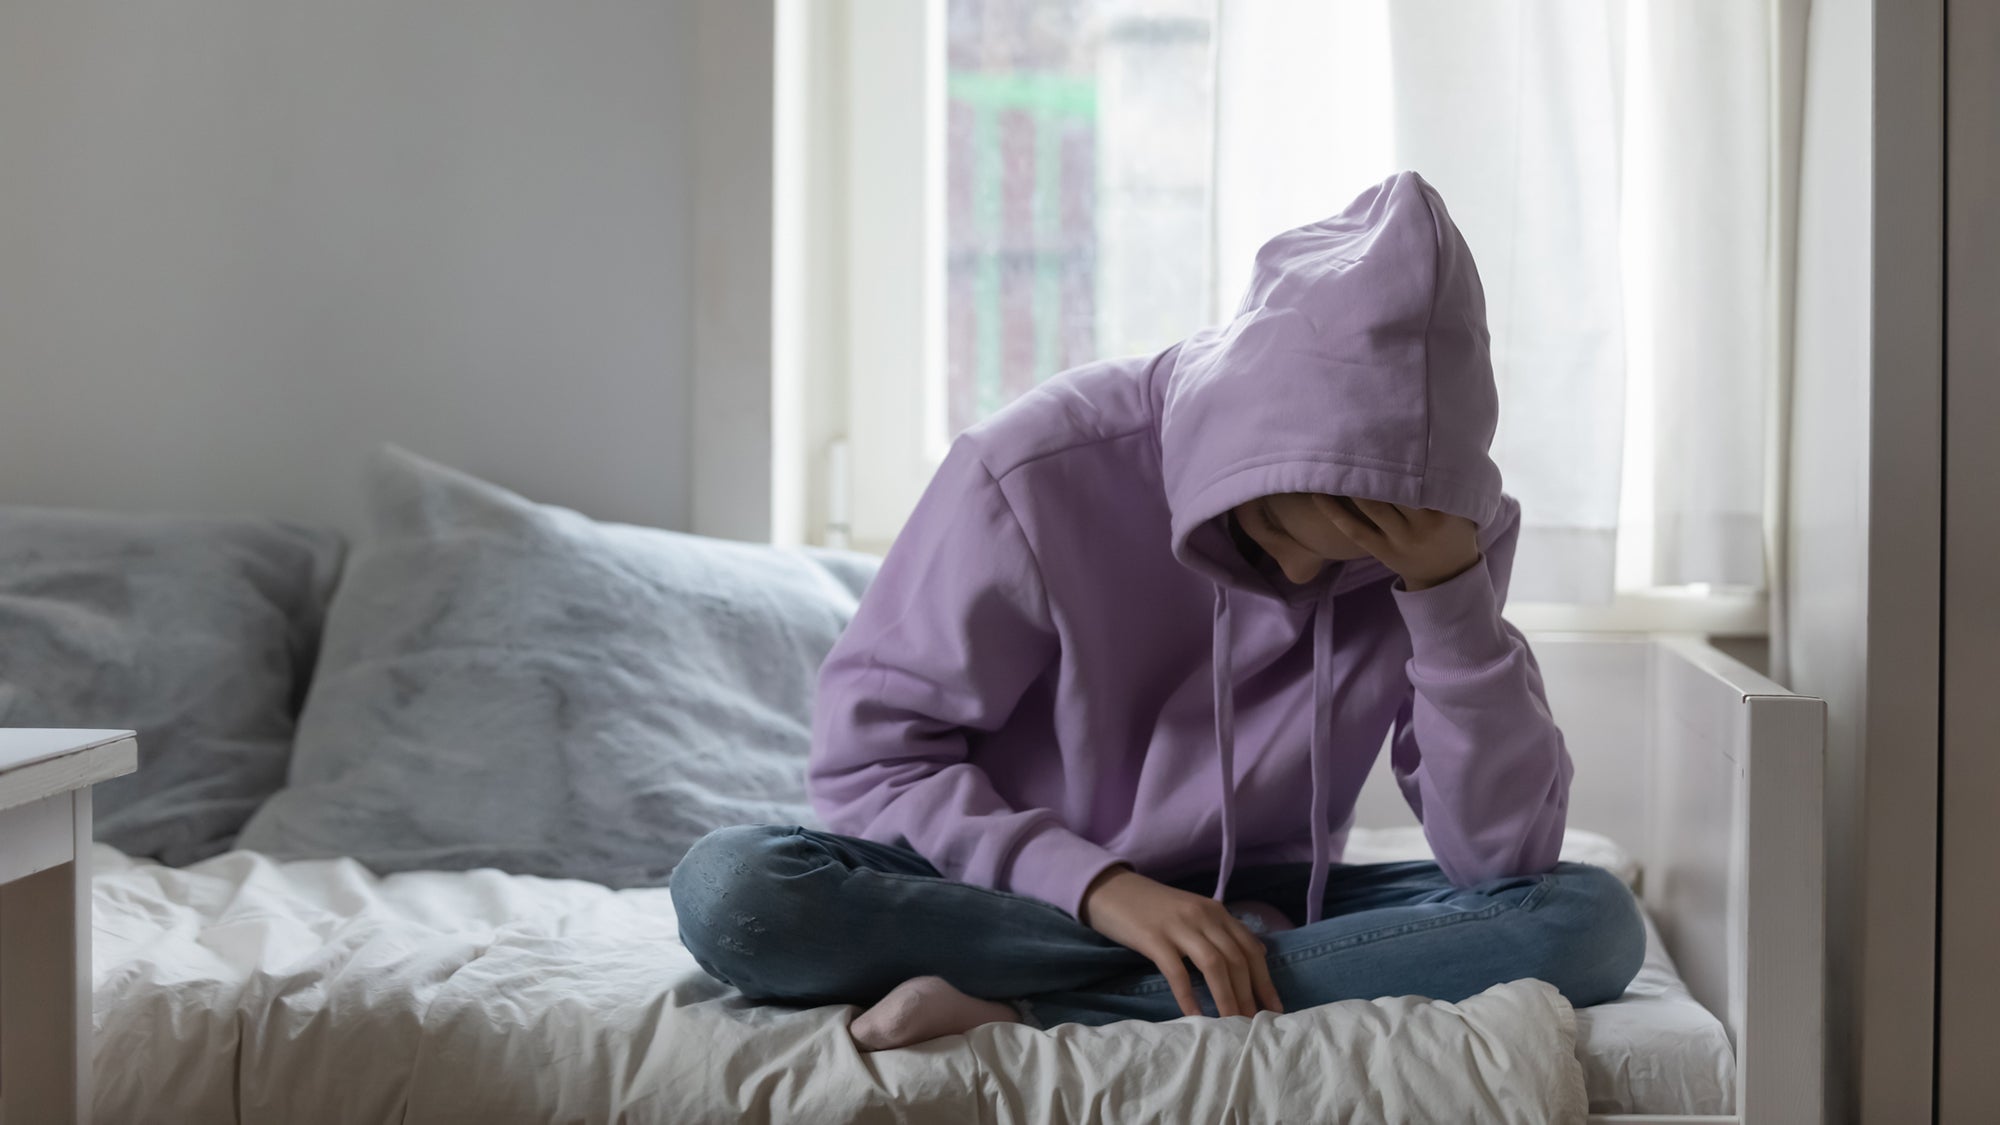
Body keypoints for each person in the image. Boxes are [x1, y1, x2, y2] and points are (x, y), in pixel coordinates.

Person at [669, 170, 1646, 1051]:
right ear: (1237, 457)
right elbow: (871, 765)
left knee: (1585, 921)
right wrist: (1101, 891)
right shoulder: (1033, 471)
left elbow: (1500, 861)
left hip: (1249, 910)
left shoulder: (1441, 540)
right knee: (736, 893)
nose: (1305, 579)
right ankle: (1142, 972)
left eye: (1354, 559)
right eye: (1276, 532)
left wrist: (1444, 600)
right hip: (995, 894)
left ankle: (1030, 1009)